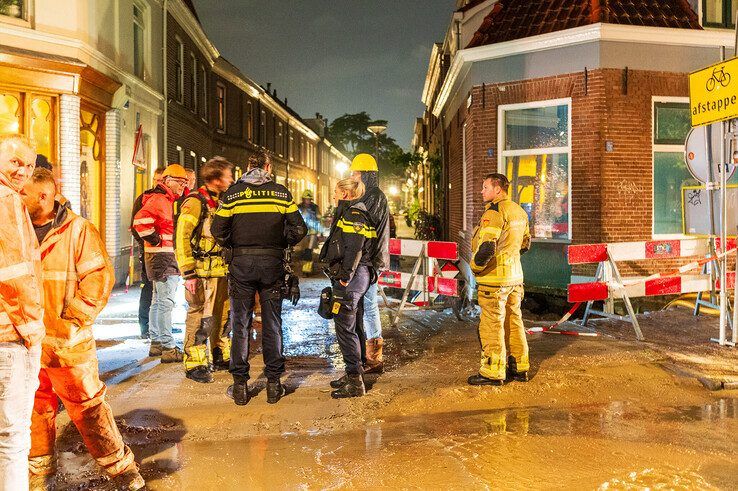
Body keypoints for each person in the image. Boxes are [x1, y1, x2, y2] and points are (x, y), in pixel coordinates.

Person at [21, 168, 144, 490]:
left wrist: (74, 317)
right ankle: (40, 472)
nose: (16, 199)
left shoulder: (77, 230)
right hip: (26, 342)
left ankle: (123, 472)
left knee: (88, 408)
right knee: (36, 408)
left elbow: (98, 277)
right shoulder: (13, 229)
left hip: (66, 344)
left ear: (44, 197)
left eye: (24, 194)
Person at [212, 150, 306, 406]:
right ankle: (274, 384)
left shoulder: (232, 194)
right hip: (272, 264)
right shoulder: (280, 192)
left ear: (247, 167)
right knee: (272, 322)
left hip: (241, 265)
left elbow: (217, 230)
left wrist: (236, 243)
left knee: (240, 323)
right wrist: (279, 241)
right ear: (267, 167)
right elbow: (299, 229)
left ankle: (240, 386)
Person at [0, 134, 45, 490]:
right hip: (11, 336)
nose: (23, 171)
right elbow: (16, 273)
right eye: (15, 162)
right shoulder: (7, 201)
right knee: (13, 437)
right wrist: (32, 332)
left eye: (29, 165)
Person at [468, 173, 531, 386]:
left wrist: (475, 268)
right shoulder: (520, 211)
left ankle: (493, 372)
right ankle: (519, 367)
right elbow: (525, 244)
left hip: (494, 281)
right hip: (515, 278)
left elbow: (486, 247)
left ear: (498, 190)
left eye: (485, 187)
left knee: (492, 325)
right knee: (514, 321)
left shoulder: (494, 212)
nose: (482, 191)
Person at [175, 157, 234, 384]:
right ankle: (195, 363)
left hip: (221, 271)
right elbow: (182, 237)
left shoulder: (221, 201)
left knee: (222, 316)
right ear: (216, 179)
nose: (230, 179)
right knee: (200, 317)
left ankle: (220, 355)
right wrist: (188, 272)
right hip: (201, 273)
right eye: (227, 176)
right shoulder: (196, 202)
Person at [320, 178, 378, 398]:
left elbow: (354, 248)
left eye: (335, 192)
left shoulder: (353, 215)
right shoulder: (354, 213)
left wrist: (344, 277)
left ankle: (355, 381)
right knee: (352, 326)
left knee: (345, 327)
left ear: (345, 193)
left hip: (352, 277)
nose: (333, 196)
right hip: (356, 275)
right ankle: (354, 373)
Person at [133, 163, 189, 362]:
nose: (183, 186)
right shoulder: (160, 199)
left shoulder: (160, 198)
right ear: (168, 180)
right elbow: (139, 221)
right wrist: (155, 239)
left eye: (185, 182)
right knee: (165, 302)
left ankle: (156, 343)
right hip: (163, 257)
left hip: (156, 256)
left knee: (157, 301)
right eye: (180, 182)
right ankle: (168, 346)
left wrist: (152, 240)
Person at [349, 153, 390, 373]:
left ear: (364, 174)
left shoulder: (373, 197)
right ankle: (370, 355)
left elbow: (365, 230)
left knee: (370, 306)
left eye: (355, 172)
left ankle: (374, 358)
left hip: (370, 261)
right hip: (371, 260)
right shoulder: (372, 195)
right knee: (367, 306)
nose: (352, 176)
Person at [131, 168, 164, 339]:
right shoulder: (144, 199)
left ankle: (160, 326)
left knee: (162, 293)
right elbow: (135, 226)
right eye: (156, 179)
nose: (159, 183)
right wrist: (148, 243)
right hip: (149, 252)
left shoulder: (166, 200)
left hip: (163, 253)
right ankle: (145, 327)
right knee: (148, 288)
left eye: (161, 180)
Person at [296, 189, 321, 276]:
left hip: (312, 233)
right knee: (302, 252)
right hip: (302, 233)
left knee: (308, 252)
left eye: (309, 199)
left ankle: (306, 270)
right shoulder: (298, 207)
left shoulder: (315, 208)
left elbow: (318, 220)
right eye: (306, 199)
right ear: (303, 199)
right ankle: (306, 268)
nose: (308, 201)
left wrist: (319, 233)